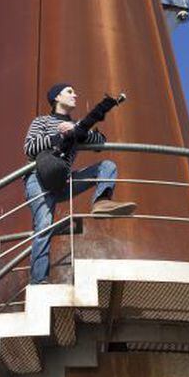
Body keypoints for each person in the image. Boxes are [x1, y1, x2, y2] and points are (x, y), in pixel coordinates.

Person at [24, 83, 137, 284]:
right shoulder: (41, 121)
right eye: (69, 92)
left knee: (107, 166)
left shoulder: (77, 125)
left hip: (62, 181)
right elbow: (30, 147)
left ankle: (102, 201)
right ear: (57, 97)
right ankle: (39, 281)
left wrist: (76, 130)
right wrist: (59, 136)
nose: (75, 95)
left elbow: (99, 141)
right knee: (44, 226)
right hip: (39, 178)